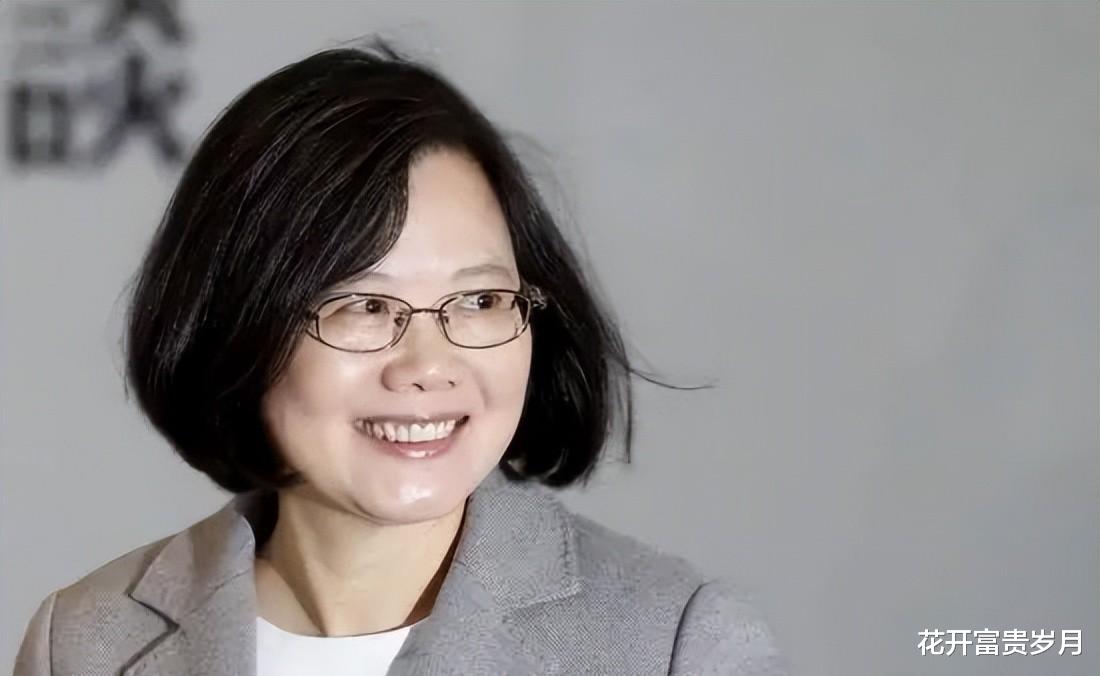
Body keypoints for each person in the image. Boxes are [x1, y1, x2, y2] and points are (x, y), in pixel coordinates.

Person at [14, 43, 786, 675]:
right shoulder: (83, 641)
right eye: (363, 305)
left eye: (478, 300)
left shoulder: (675, 644)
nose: (427, 364)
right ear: (239, 325)